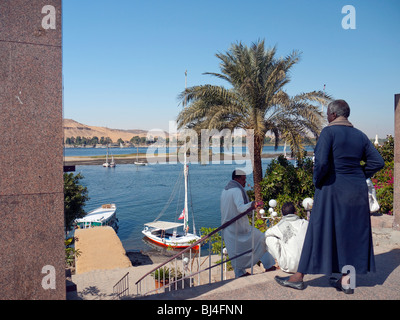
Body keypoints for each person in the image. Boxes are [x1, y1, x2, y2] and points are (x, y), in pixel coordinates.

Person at [275, 99, 384, 293]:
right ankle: (346, 280)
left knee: (317, 230)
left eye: (327, 114)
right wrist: (358, 176)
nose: (327, 117)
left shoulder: (329, 132)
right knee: (351, 233)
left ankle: (298, 277)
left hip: (332, 190)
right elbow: (378, 162)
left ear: (333, 115)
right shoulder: (360, 136)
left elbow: (322, 163)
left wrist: (318, 182)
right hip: (356, 193)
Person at [221, 169, 276, 278]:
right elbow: (241, 208)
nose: (245, 182)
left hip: (228, 228)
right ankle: (269, 266)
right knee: (262, 239)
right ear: (236, 179)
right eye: (243, 179)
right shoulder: (236, 190)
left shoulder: (225, 190)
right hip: (240, 228)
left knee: (235, 252)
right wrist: (253, 204)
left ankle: (240, 273)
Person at [265, 202, 309, 273]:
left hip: (290, 266)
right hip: (308, 265)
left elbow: (266, 234)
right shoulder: (305, 223)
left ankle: (281, 261)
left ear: (282, 214)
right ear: (295, 212)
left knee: (269, 238)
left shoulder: (278, 227)